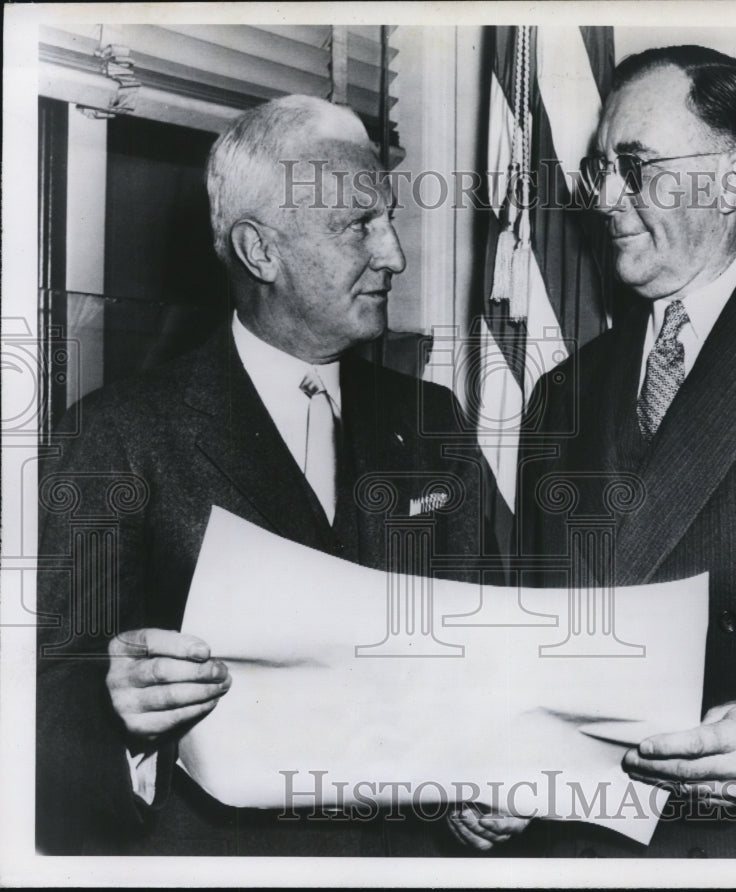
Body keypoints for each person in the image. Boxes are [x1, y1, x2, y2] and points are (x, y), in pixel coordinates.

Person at [36, 95, 493, 856]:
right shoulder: (118, 434)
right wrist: (124, 728)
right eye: (358, 225)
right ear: (260, 252)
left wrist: (493, 783)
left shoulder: (433, 420)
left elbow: (495, 641)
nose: (394, 256)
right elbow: (45, 707)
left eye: (388, 220)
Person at [505, 45, 736, 858]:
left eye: (634, 168)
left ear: (731, 181)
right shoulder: (561, 393)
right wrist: (488, 772)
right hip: (584, 848)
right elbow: (527, 635)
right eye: (600, 169)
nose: (604, 198)